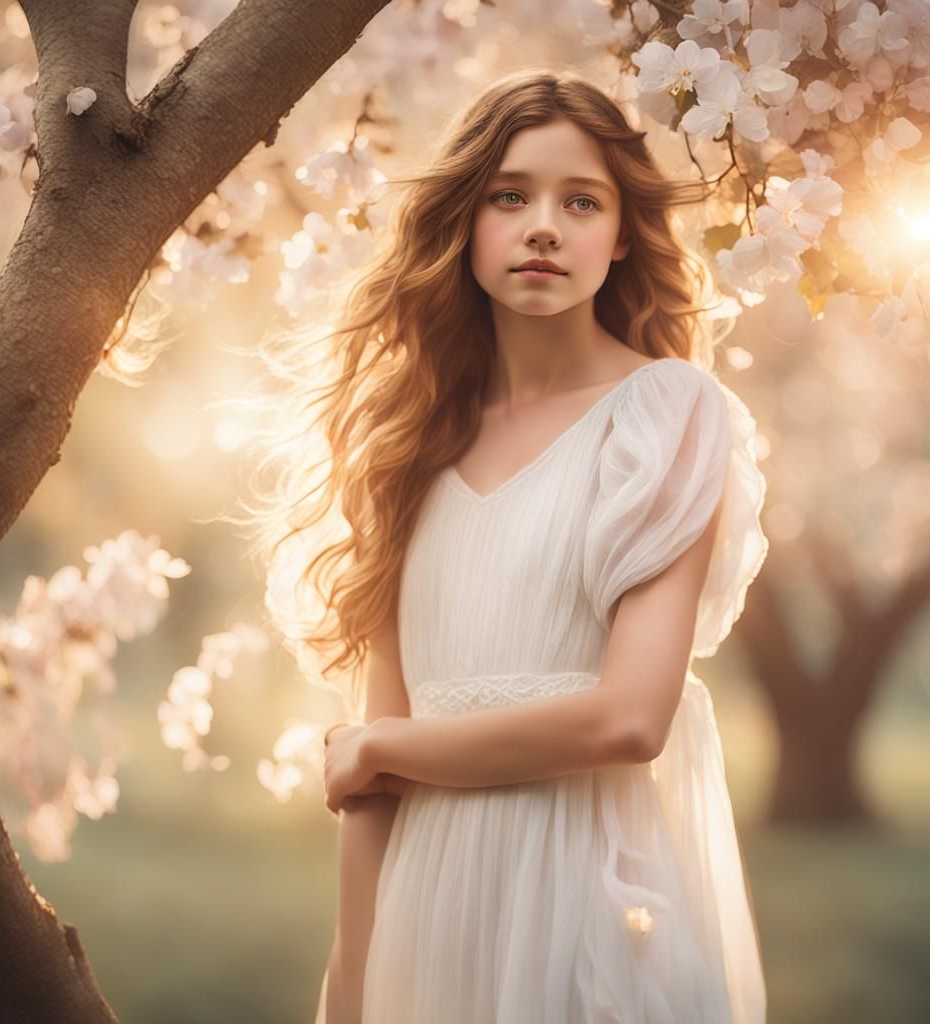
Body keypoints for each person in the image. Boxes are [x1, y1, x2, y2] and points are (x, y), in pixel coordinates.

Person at [244, 66, 769, 1024]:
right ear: (466, 223)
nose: (543, 226)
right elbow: (369, 779)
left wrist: (384, 748)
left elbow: (628, 721)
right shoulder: (406, 444)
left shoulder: (663, 417)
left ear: (619, 238)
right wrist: (353, 981)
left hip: (586, 906)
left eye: (581, 202)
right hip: (425, 913)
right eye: (510, 195)